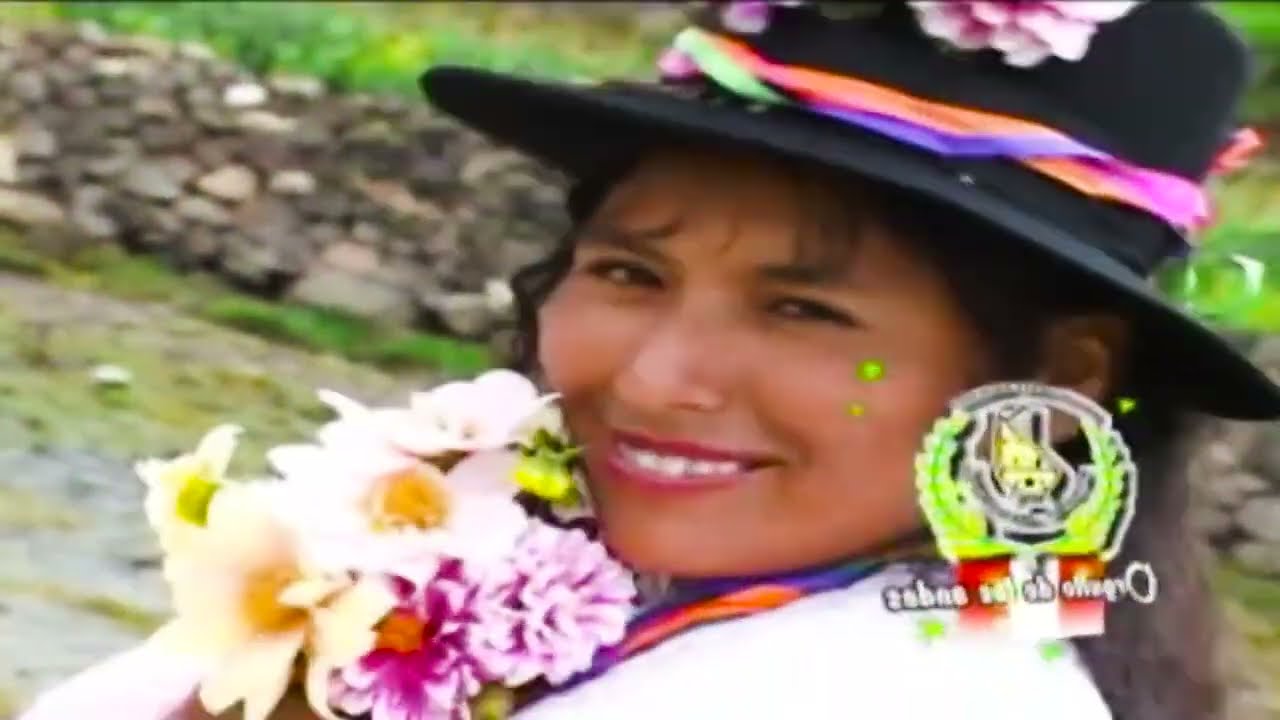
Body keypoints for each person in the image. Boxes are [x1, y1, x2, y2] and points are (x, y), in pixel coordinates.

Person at [18, 2, 1277, 720]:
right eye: (629, 274)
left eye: (803, 312)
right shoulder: (452, 553)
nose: (658, 377)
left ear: (1056, 381)